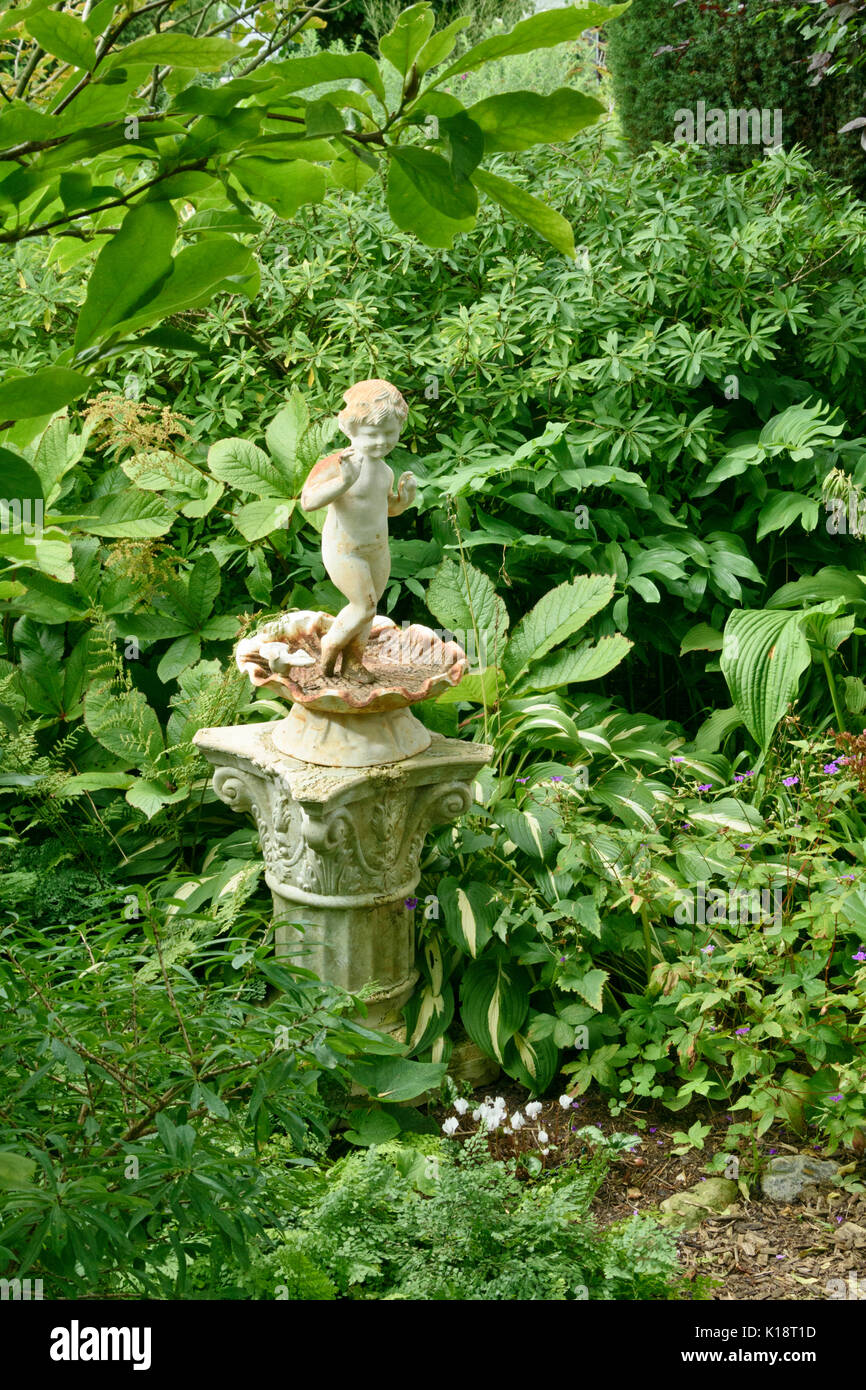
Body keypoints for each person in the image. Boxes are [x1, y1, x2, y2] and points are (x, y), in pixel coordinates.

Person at [300, 379, 416, 681]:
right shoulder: (339, 464)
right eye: (372, 435)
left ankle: (353, 662)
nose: (381, 442)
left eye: (389, 434)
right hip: (345, 550)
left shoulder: (384, 470)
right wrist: (343, 482)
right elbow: (308, 501)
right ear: (350, 430)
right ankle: (330, 646)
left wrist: (403, 502)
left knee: (370, 610)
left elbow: (384, 507)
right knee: (363, 606)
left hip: (377, 550)